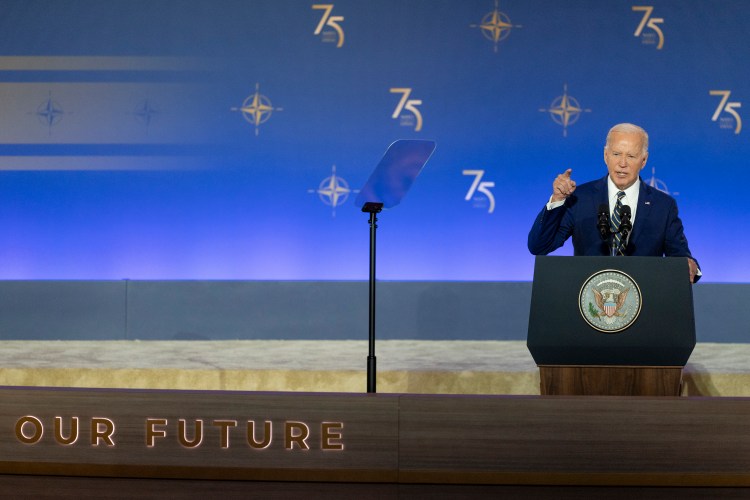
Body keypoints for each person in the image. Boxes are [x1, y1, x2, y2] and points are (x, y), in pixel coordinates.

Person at [527, 123, 700, 283]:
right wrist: (557, 200)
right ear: (606, 155)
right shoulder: (580, 198)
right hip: (589, 301)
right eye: (616, 154)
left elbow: (680, 257)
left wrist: (689, 266)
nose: (622, 163)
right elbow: (539, 246)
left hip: (644, 303)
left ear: (644, 160)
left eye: (631, 156)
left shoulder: (663, 205)